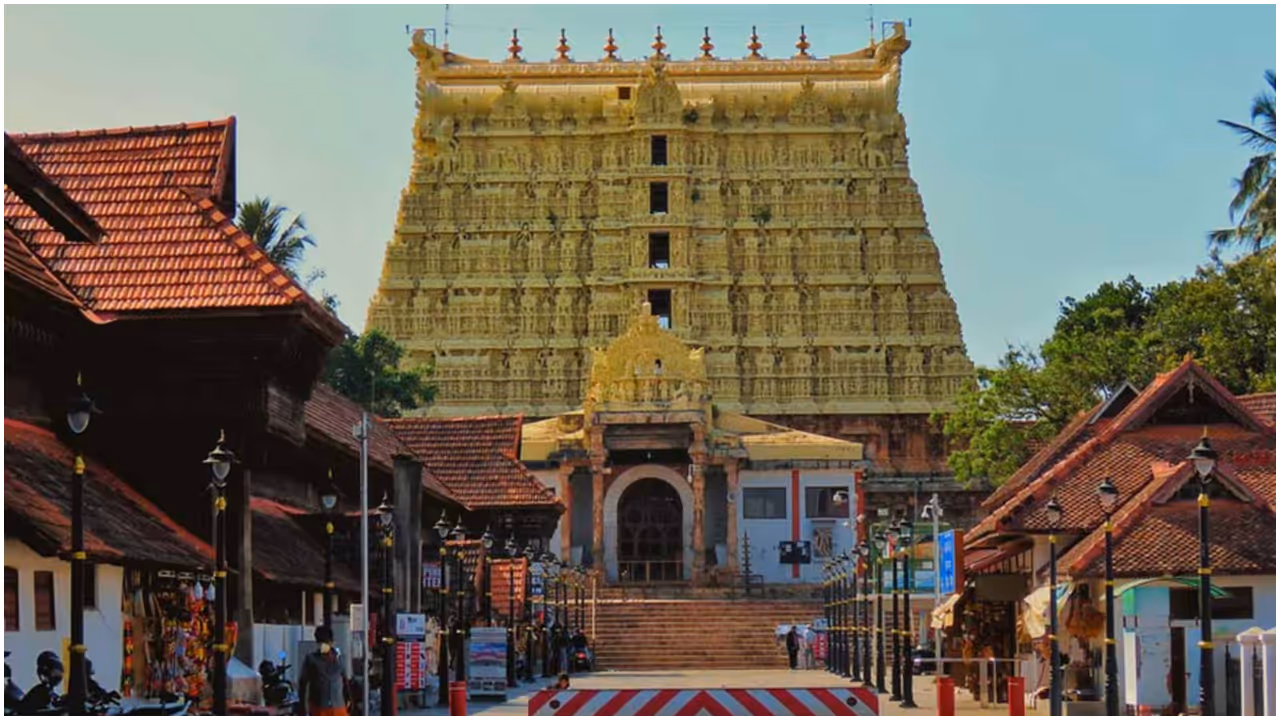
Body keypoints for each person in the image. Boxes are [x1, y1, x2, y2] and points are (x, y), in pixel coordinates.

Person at [299, 626, 349, 716]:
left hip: (338, 707)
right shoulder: (311, 659)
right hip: (319, 708)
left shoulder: (340, 659)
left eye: (325, 642)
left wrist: (348, 699)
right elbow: (302, 684)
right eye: (320, 642)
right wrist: (302, 708)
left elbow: (346, 682)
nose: (323, 645)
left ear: (331, 642)